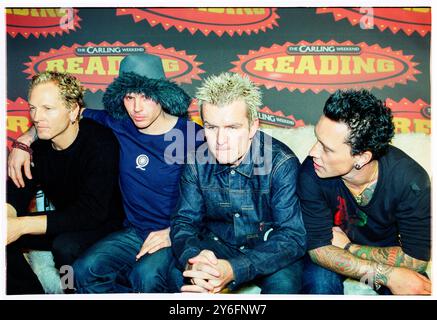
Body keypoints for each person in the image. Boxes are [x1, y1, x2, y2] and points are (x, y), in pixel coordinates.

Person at [8, 54, 204, 293]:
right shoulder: (117, 123)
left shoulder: (193, 136)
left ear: (162, 94)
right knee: (82, 272)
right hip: (133, 231)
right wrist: (24, 141)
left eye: (146, 96)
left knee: (146, 276)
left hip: (174, 233)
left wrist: (174, 232)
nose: (137, 107)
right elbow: (56, 116)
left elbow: (214, 199)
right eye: (129, 97)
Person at [169, 72, 306, 294]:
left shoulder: (281, 163)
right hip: (216, 245)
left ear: (253, 127)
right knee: (179, 275)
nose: (220, 140)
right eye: (211, 127)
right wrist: (194, 259)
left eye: (232, 128)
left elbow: (292, 236)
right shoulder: (195, 162)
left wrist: (235, 269)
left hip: (268, 249)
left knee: (285, 285)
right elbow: (184, 222)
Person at [298, 89, 431, 295]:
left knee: (417, 289)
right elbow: (318, 250)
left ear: (361, 157)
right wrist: (383, 275)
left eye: (326, 148)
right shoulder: (312, 171)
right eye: (317, 139)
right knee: (319, 284)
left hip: (350, 250)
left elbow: (417, 260)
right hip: (333, 259)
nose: (312, 152)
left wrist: (349, 248)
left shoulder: (410, 181)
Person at [6, 71, 123, 294]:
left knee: (64, 246)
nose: (37, 117)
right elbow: (16, 191)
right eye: (32, 108)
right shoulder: (39, 146)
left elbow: (91, 213)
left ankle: (70, 293)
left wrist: (21, 226)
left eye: (48, 109)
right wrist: (8, 216)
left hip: (106, 225)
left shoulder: (99, 142)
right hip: (65, 220)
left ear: (73, 111)